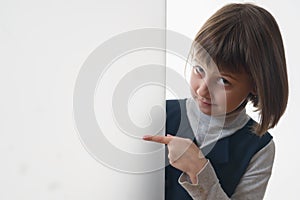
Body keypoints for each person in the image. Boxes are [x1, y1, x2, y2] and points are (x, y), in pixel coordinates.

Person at [143, 3, 288, 200]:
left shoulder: (259, 149)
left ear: (255, 84)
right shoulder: (159, 113)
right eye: (199, 70)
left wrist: (199, 171)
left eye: (223, 81)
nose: (203, 90)